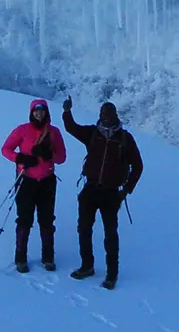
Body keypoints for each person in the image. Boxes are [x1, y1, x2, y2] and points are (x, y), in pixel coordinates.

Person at [61, 97, 144, 290]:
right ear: (100, 116)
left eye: (109, 115)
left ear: (115, 116)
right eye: (103, 115)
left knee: (110, 235)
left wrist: (125, 191)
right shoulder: (92, 133)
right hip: (90, 189)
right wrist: (66, 112)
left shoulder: (125, 138)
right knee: (84, 229)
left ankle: (111, 275)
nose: (105, 119)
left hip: (111, 193)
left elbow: (138, 166)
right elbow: (72, 128)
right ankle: (87, 266)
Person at [0, 98, 66, 273]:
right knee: (24, 220)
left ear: (46, 112)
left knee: (46, 220)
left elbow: (62, 158)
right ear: (31, 112)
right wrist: (20, 158)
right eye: (36, 111)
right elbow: (5, 149)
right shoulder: (22, 130)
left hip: (47, 181)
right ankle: (20, 258)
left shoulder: (54, 132)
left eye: (42, 110)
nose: (39, 113)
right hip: (25, 180)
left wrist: (48, 155)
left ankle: (48, 257)